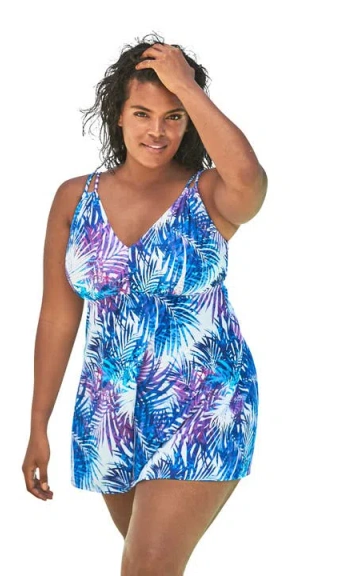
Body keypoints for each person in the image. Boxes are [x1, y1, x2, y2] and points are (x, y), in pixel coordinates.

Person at [22, 32, 267, 576]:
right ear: (117, 115)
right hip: (109, 410)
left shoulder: (211, 194)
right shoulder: (74, 198)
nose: (157, 131)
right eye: (142, 113)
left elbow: (251, 178)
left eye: (174, 116)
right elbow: (58, 316)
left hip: (204, 402)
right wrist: (39, 422)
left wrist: (187, 85)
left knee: (148, 565)